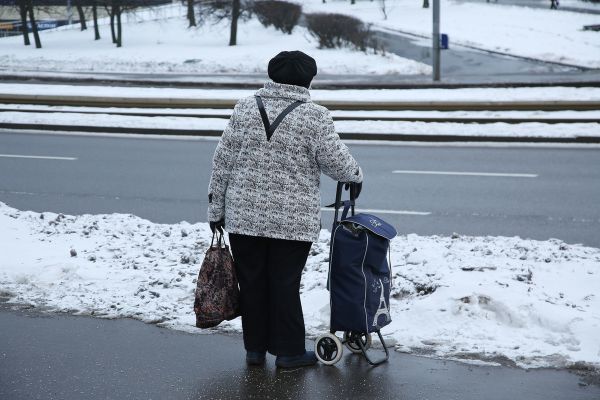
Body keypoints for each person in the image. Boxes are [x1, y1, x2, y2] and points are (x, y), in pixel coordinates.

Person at [207, 50, 363, 368]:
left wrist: (215, 210)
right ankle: (289, 352)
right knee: (285, 284)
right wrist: (355, 176)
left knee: (251, 283)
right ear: (308, 79)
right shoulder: (315, 115)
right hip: (291, 222)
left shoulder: (245, 108)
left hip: (244, 218)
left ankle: (255, 350)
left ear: (272, 74)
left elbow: (222, 160)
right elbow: (338, 162)